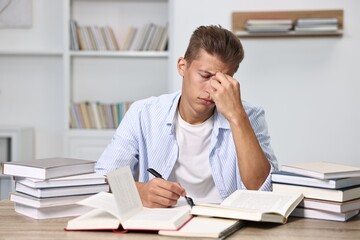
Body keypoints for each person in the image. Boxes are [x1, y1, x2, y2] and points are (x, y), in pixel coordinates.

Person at [96, 25, 278, 208]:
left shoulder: (249, 116)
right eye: (205, 75)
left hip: (226, 223)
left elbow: (265, 191)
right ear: (182, 66)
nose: (211, 90)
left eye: (222, 81)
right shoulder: (143, 113)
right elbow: (103, 179)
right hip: (162, 222)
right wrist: (140, 191)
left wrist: (237, 117)